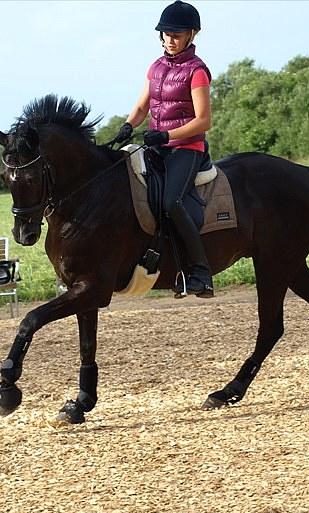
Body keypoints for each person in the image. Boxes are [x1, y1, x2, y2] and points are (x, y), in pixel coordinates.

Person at [114, 0, 214, 298]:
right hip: (158, 147)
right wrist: (128, 125)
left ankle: (200, 272)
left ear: (191, 35)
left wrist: (166, 135)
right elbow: (143, 105)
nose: (170, 39)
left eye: (177, 34)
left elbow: (203, 120)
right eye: (166, 34)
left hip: (186, 148)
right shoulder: (156, 67)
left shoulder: (197, 71)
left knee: (171, 202)